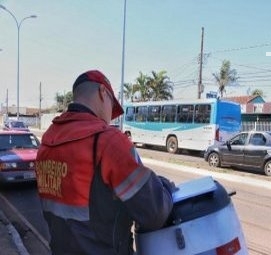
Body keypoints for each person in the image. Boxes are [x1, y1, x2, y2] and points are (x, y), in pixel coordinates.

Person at [35, 70, 174, 255]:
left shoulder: (47, 143)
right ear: (102, 92)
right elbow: (155, 213)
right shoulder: (108, 142)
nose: (110, 118)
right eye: (112, 107)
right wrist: (165, 187)